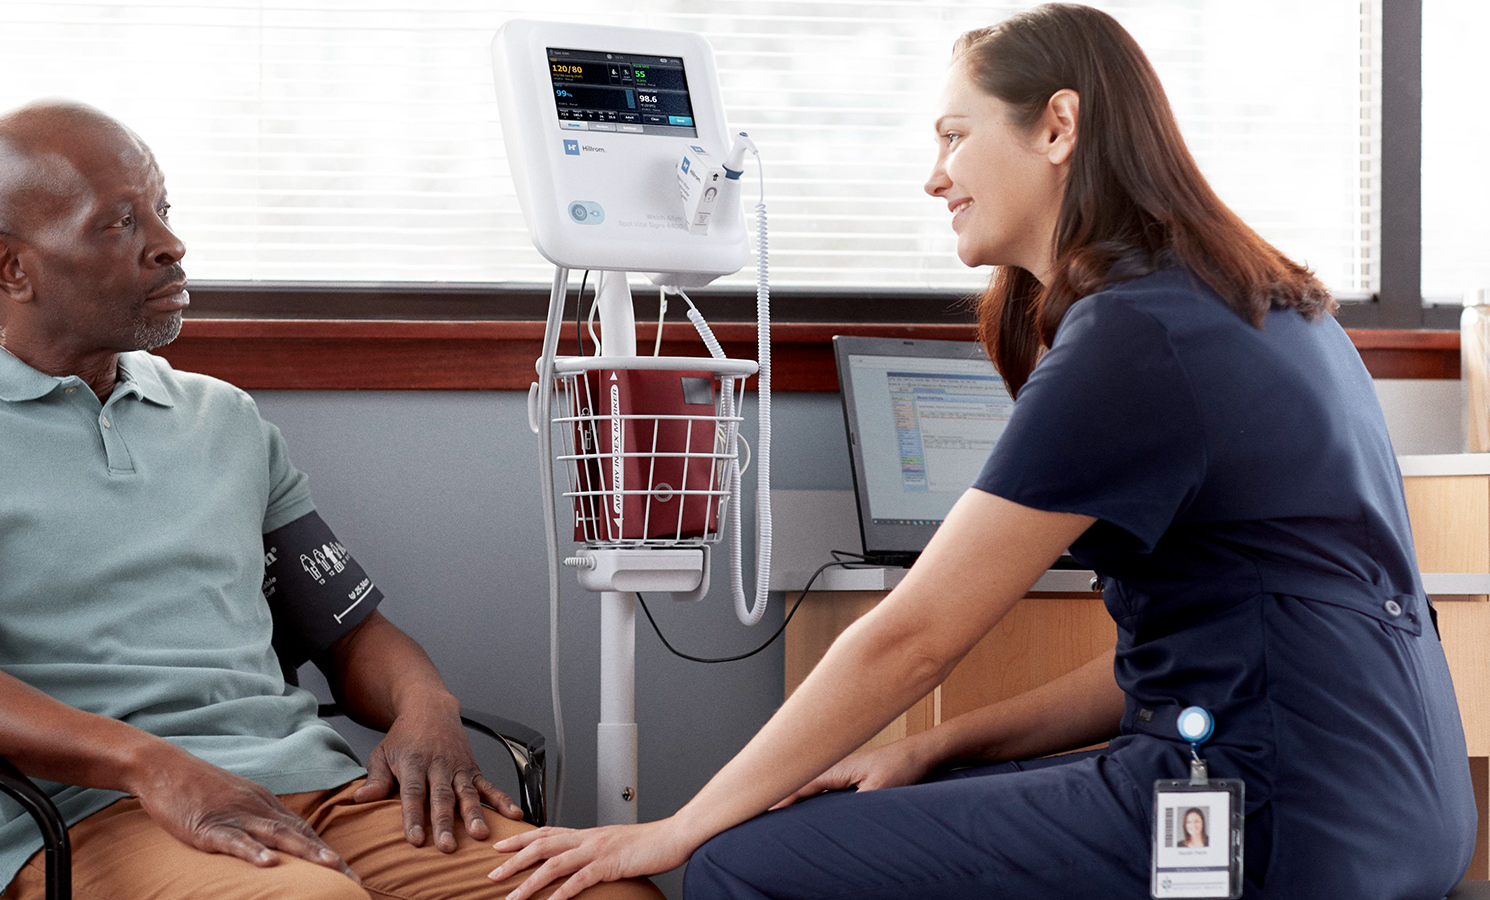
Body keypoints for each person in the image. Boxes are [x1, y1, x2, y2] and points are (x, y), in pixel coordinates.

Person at [486, 5, 1476, 899]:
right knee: (905, 796)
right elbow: (1190, 662)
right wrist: (938, 747)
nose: (935, 176)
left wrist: (676, 828)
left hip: (1269, 814)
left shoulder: (1136, 336)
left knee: (738, 864)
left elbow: (912, 637)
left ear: (1058, 127)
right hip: (1401, 810)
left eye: (955, 136)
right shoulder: (1269, 305)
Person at [0, 100, 662, 900]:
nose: (170, 244)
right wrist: (151, 764)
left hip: (319, 793)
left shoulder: (223, 419)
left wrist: (426, 706)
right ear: (11, 268)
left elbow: (349, 629)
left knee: (607, 891)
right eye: (120, 223)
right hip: (92, 817)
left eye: (161, 211)